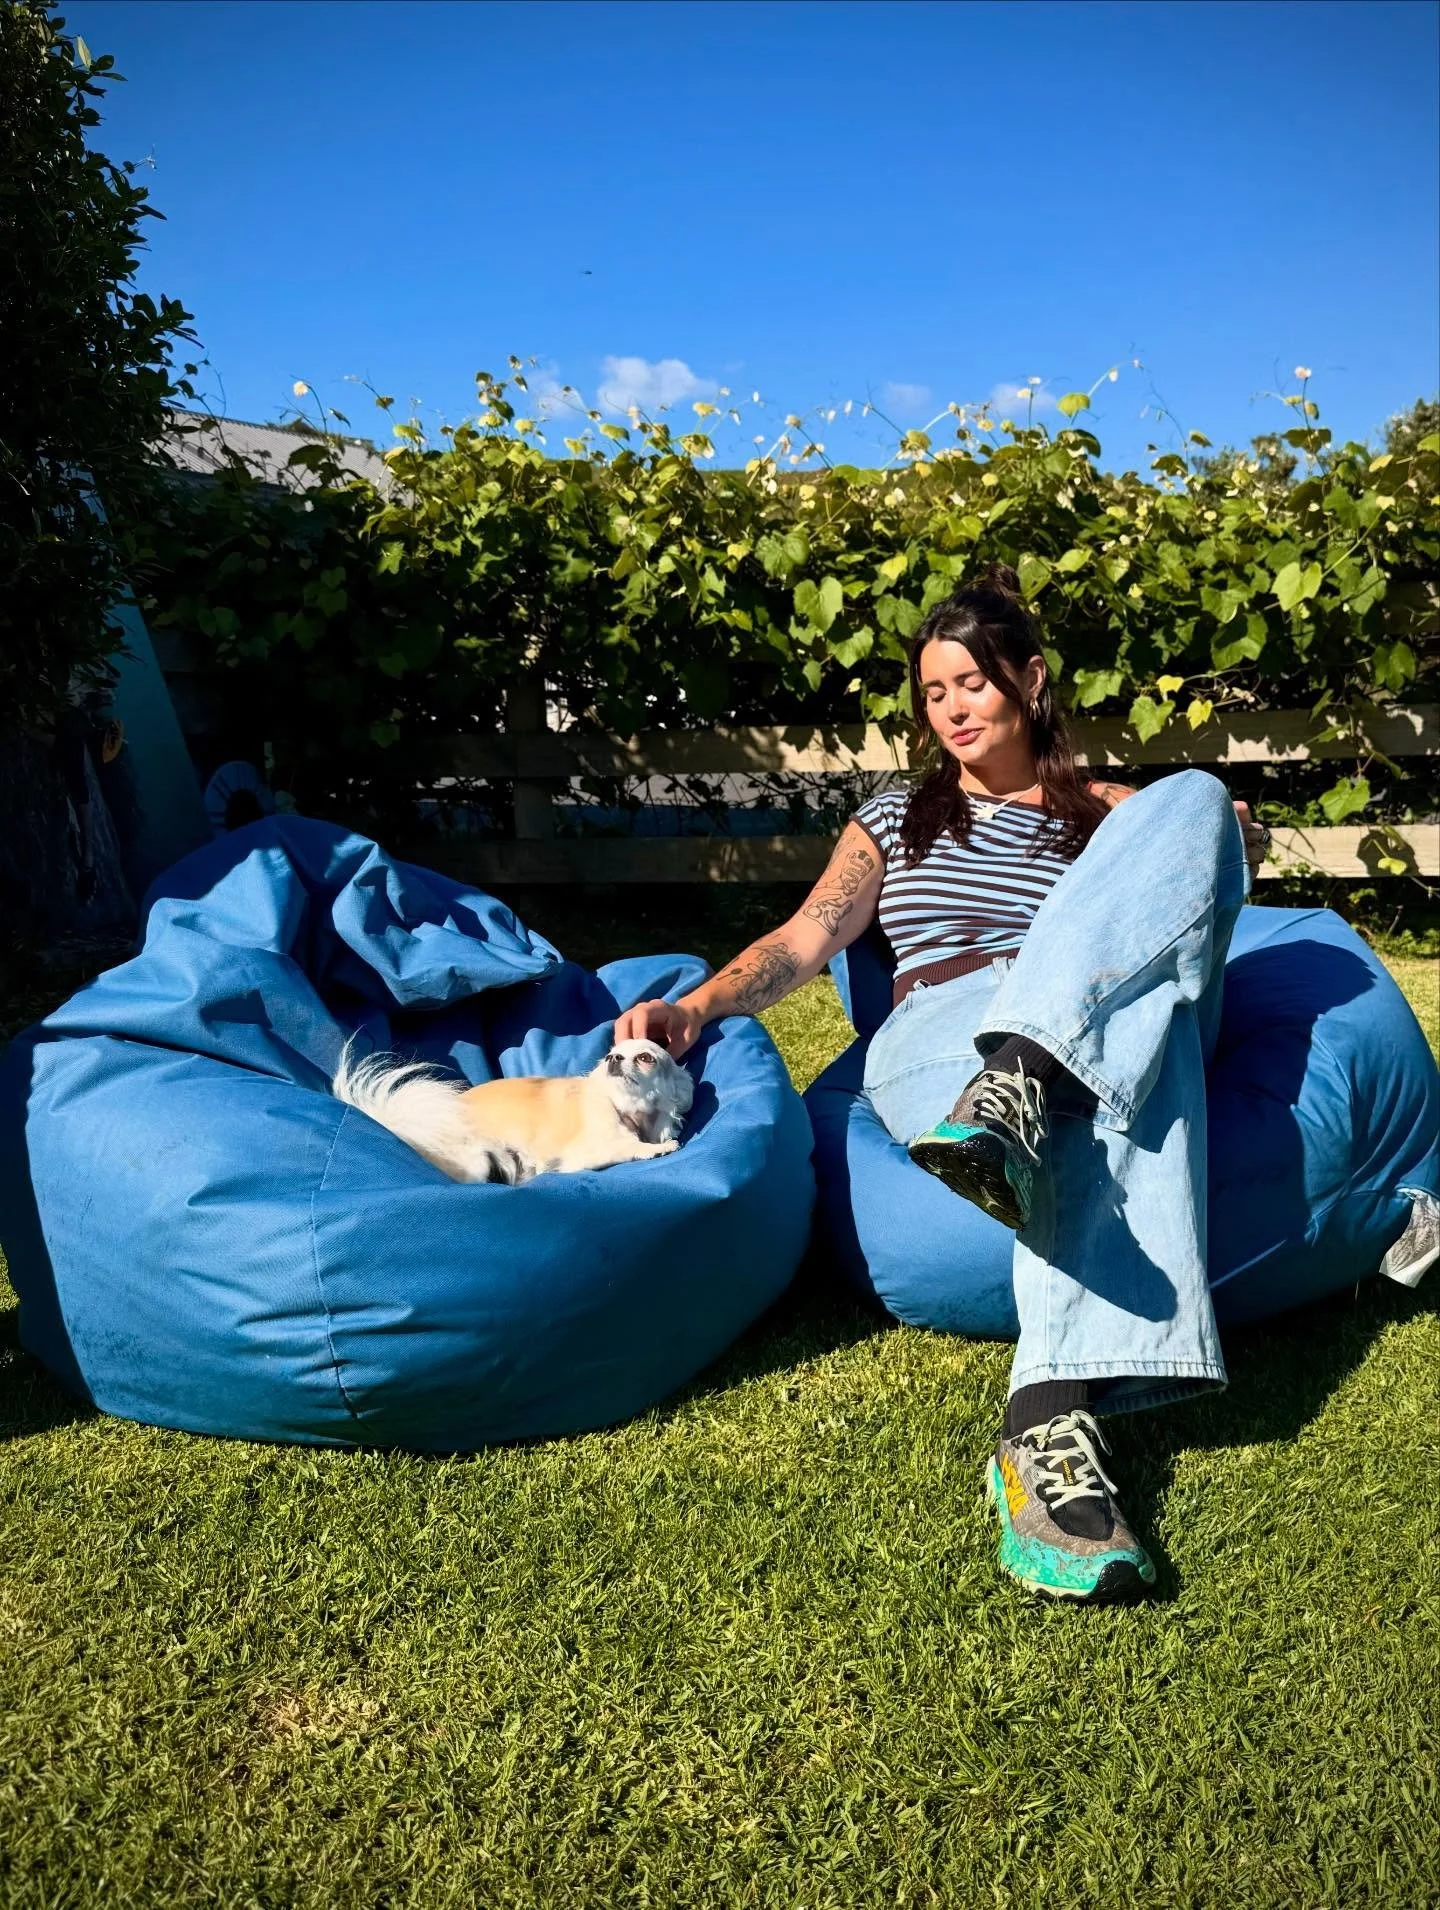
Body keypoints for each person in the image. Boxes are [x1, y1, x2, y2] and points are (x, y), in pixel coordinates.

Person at [614, 563, 1272, 1604]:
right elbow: (805, 937)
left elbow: (1195, 897)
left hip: (1095, 1004)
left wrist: (1218, 839)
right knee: (1139, 1061)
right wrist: (698, 1007)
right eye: (932, 692)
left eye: (970, 682)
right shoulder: (894, 819)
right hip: (946, 1023)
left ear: (1031, 680)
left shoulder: (1113, 811)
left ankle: (1027, 1077)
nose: (951, 709)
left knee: (1196, 805)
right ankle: (1042, 1433)